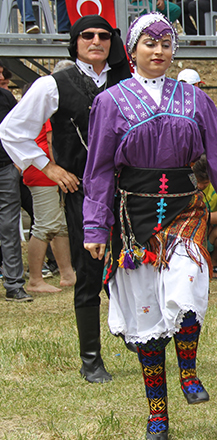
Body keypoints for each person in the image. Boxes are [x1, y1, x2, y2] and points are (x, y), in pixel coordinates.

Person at [81, 14, 217, 438]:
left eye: (166, 43)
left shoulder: (194, 100)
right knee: (148, 316)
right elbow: (97, 171)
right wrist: (95, 227)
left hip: (185, 210)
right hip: (135, 220)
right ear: (132, 50)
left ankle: (188, 370)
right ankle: (158, 414)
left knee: (186, 285)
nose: (159, 51)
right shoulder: (110, 102)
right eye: (149, 43)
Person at [0, 14, 132, 382]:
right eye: (87, 35)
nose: (95, 41)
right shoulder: (53, 85)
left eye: (103, 36)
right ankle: (91, 360)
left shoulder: (128, 81)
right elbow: (11, 131)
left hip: (129, 191)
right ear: (74, 42)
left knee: (133, 267)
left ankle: (138, 337)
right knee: (90, 272)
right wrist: (51, 169)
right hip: (84, 194)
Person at [22, 108, 76, 293]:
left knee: (60, 226)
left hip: (41, 173)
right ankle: (35, 280)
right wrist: (57, 169)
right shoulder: (45, 114)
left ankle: (67, 274)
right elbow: (52, 143)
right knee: (45, 226)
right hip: (44, 175)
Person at [0, 64, 29, 303]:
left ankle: (13, 284)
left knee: (9, 227)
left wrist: (17, 162)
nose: (2, 76)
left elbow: (18, 129)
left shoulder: (6, 97)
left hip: (5, 170)